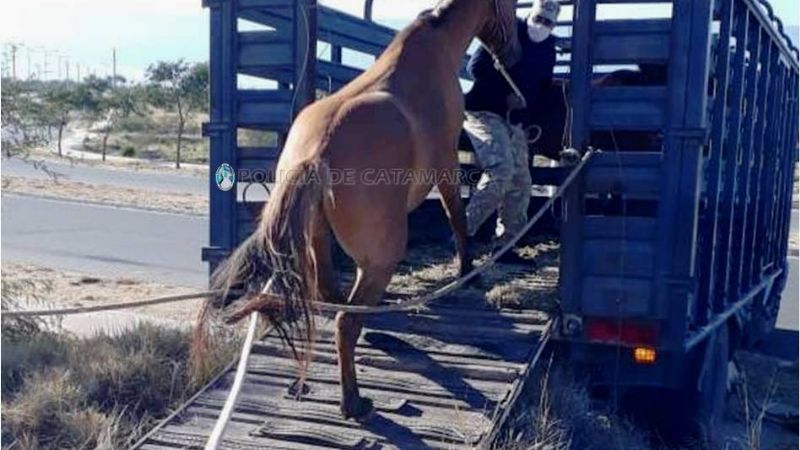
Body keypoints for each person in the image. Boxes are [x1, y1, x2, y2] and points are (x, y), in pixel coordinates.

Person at [463, 0, 559, 263]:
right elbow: (474, 68)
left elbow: (541, 87)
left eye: (548, 23)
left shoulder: (549, 49)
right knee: (501, 170)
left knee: (522, 182)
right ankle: (462, 234)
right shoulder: (507, 32)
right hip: (483, 111)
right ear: (530, 14)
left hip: (514, 120)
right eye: (539, 19)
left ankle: (505, 246)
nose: (542, 26)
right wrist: (504, 89)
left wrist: (524, 101)